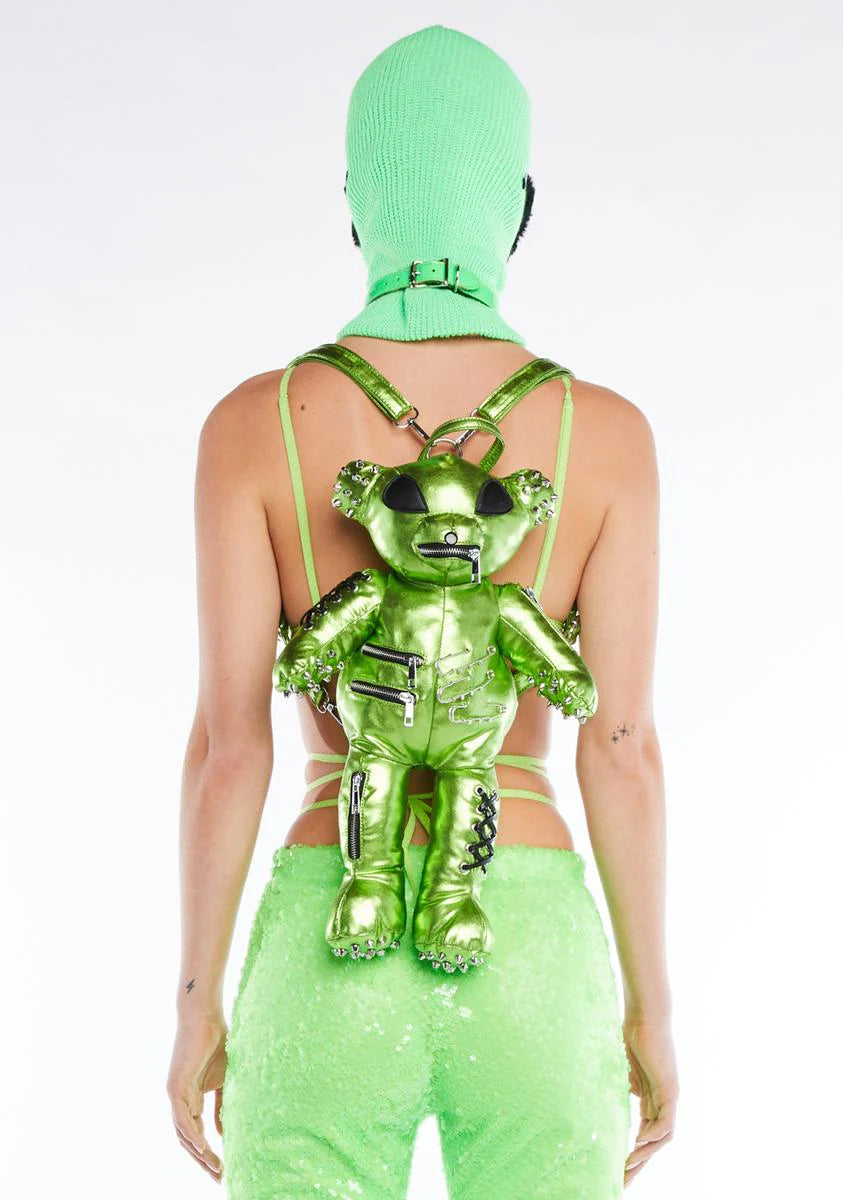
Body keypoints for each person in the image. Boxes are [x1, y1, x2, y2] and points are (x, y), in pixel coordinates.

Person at [167, 23, 678, 1199]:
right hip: (528, 939)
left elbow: (229, 749)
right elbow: (620, 746)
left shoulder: (254, 424)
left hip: (329, 936)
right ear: (519, 206)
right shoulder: (606, 436)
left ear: (356, 204)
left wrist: (196, 1005)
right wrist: (651, 1010)